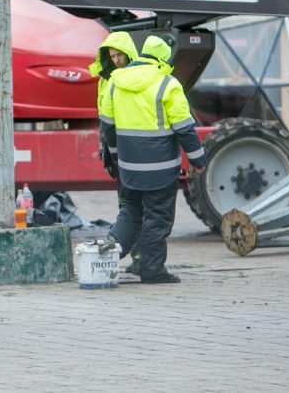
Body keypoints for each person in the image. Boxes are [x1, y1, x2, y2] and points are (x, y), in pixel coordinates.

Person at [101, 34, 207, 284]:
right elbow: (184, 129)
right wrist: (198, 161)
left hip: (128, 167)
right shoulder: (168, 84)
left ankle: (104, 258)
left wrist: (116, 158)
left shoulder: (115, 83)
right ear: (164, 59)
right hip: (161, 169)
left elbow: (108, 127)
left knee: (130, 213)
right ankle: (151, 269)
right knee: (157, 218)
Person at [88, 31, 140, 267]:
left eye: (120, 55)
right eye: (112, 56)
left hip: (130, 148)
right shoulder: (105, 80)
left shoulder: (135, 79)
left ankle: (137, 255)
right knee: (127, 203)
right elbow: (104, 119)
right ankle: (138, 255)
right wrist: (106, 150)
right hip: (116, 148)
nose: (117, 60)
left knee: (136, 206)